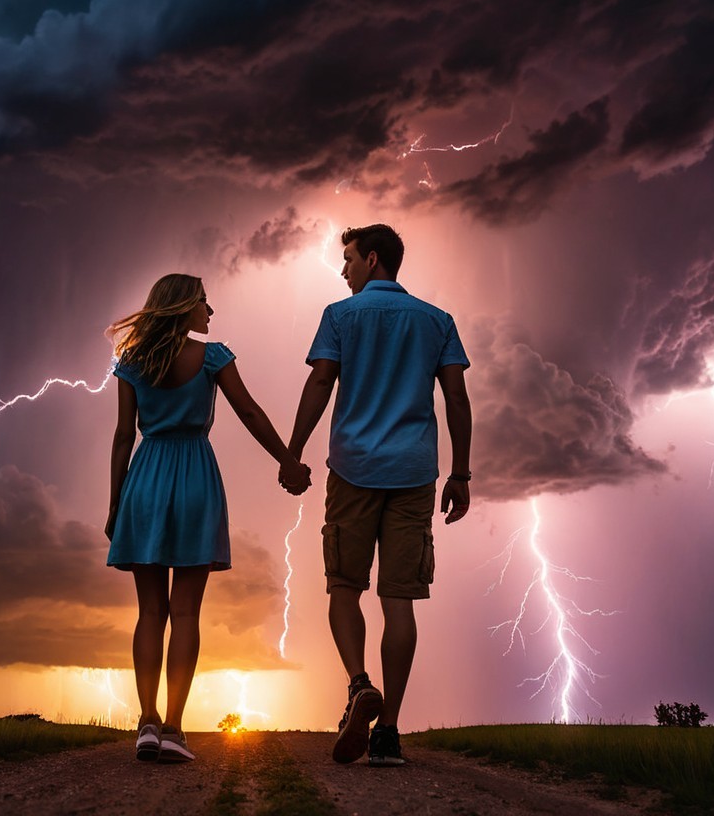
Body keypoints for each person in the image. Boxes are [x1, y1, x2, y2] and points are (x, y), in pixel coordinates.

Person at [283, 224, 472, 766]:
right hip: (414, 473)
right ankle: (388, 731)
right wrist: (462, 473)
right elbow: (456, 396)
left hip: (353, 468)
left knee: (344, 583)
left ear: (372, 259)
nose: (343, 271)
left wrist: (293, 451)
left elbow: (321, 382)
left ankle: (358, 684)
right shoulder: (438, 320)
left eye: (347, 260)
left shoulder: (340, 316)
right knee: (400, 601)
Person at [107, 273, 311, 764]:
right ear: (185, 307)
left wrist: (115, 505)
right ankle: (175, 727)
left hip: (146, 481)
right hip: (196, 476)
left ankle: (147, 722)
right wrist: (287, 460)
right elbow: (251, 413)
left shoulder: (132, 363)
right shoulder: (214, 356)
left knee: (150, 612)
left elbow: (122, 437)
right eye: (204, 302)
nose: (211, 311)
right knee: (186, 613)